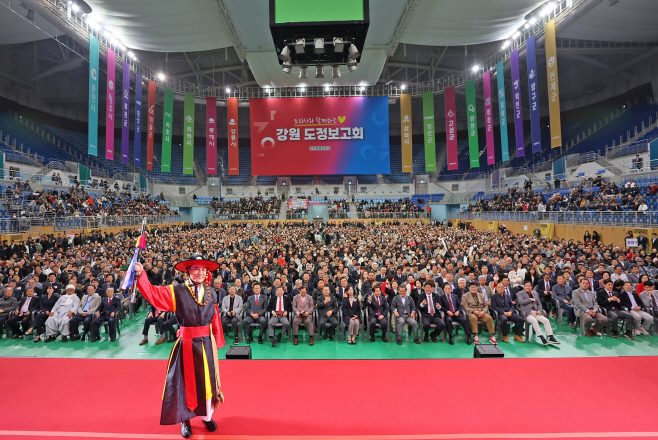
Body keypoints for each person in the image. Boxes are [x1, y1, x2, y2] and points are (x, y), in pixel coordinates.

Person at [135, 256, 225, 438]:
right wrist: (141, 274)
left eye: (203, 270)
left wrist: (217, 341)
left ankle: (207, 416)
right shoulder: (176, 291)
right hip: (186, 344)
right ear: (188, 271)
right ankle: (185, 420)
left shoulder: (211, 292)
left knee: (207, 381)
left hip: (206, 344)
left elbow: (215, 318)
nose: (200, 273)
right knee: (184, 383)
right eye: (196, 269)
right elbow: (154, 294)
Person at [516, 281, 559, 345]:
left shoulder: (535, 293)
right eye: (526, 286)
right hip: (526, 313)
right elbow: (521, 302)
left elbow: (539, 304)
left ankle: (551, 337)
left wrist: (539, 310)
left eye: (529, 286)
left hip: (535, 312)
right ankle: (542, 338)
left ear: (531, 287)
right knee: (534, 321)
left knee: (546, 320)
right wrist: (530, 299)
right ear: (524, 287)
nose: (528, 287)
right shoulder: (520, 293)